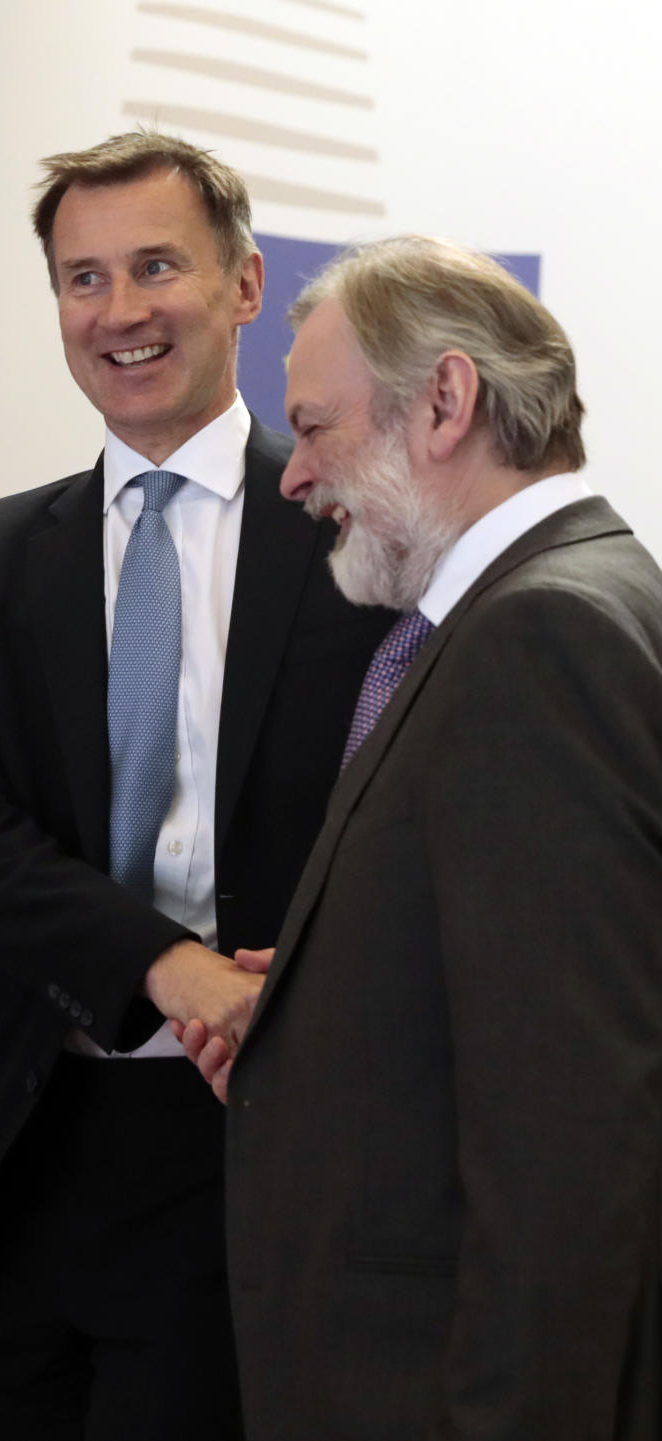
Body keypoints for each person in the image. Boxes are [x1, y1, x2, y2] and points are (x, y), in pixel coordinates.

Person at [0, 132, 392, 1440]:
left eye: (155, 266)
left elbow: (412, 835)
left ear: (243, 286)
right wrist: (168, 965)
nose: (118, 312)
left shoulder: (358, 536)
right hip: (22, 1136)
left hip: (259, 1144)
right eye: (82, 278)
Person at [184, 235, 662, 1439]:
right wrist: (318, 1013)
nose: (291, 479)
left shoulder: (538, 637)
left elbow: (569, 1124)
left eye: (315, 427)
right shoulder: (561, 599)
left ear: (445, 401)